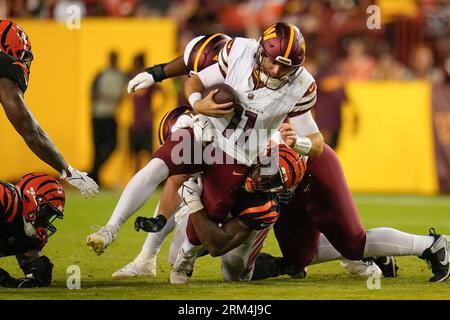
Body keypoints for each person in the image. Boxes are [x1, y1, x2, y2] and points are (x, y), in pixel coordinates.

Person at [86, 22, 323, 260]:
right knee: (157, 166)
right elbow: (194, 77)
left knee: (209, 227)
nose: (276, 71)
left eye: (285, 67)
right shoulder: (238, 50)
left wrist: (298, 143)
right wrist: (196, 102)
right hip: (207, 132)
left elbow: (317, 143)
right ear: (261, 51)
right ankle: (111, 229)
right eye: (273, 61)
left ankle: (183, 255)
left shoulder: (301, 85)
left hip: (240, 154)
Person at [0, 19, 98, 198]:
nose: (22, 60)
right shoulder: (4, 67)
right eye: (20, 54)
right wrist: (68, 171)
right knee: (11, 205)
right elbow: (31, 132)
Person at [0, 173, 65, 288]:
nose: (46, 219)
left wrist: (38, 270)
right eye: (46, 212)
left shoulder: (28, 228)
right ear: (31, 199)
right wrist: (5, 279)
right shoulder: (4, 198)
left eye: (50, 215)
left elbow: (29, 254)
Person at [89, 51, 127, 186]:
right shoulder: (101, 74)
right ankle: (95, 177)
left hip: (110, 115)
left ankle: (93, 173)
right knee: (97, 147)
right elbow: (92, 94)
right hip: (98, 115)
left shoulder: (121, 75)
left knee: (113, 145)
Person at [128, 53, 166, 174]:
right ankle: (135, 179)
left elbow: (164, 94)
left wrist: (155, 111)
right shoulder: (132, 78)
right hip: (135, 123)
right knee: (135, 156)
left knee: (149, 155)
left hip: (146, 124)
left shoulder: (147, 79)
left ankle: (152, 178)